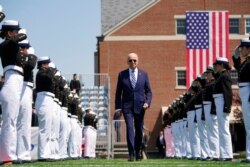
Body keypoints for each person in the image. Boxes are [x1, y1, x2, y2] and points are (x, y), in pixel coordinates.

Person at [115, 53, 152, 161]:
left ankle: (138, 151)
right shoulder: (122, 74)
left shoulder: (144, 74)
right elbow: (118, 93)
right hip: (127, 107)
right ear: (127, 62)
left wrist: (147, 102)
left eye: (134, 60)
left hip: (140, 107)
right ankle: (131, 153)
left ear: (138, 61)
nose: (133, 62)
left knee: (139, 130)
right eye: (130, 60)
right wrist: (118, 107)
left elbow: (149, 92)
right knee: (130, 129)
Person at [0, 20, 26, 165]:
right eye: (15, 31)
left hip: (15, 85)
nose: (17, 33)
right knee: (9, 123)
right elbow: (20, 37)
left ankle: (10, 155)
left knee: (12, 122)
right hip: (10, 85)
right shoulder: (6, 44)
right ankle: (6, 158)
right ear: (10, 33)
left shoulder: (10, 43)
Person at [17, 39, 37, 163]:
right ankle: (20, 154)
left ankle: (22, 153)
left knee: (24, 122)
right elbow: (30, 66)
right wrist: (31, 55)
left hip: (26, 88)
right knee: (22, 122)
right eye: (24, 48)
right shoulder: (20, 58)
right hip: (22, 86)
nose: (26, 50)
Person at [232, 37, 250, 163]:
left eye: (242, 48)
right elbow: (237, 63)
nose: (240, 50)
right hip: (244, 93)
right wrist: (236, 50)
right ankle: (249, 155)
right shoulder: (245, 63)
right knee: (248, 127)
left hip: (248, 93)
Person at [35, 56, 56, 161]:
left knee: (48, 129)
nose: (48, 66)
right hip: (44, 99)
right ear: (42, 65)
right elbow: (48, 78)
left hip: (48, 99)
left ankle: (46, 153)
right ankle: (43, 155)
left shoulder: (45, 73)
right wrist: (52, 70)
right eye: (47, 64)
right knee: (44, 129)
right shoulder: (41, 74)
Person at [212, 57, 233, 161]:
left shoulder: (224, 76)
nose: (215, 66)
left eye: (217, 65)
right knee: (221, 129)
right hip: (219, 101)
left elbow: (228, 93)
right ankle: (223, 153)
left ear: (221, 65)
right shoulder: (221, 76)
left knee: (224, 129)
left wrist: (227, 106)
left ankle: (227, 154)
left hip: (222, 102)